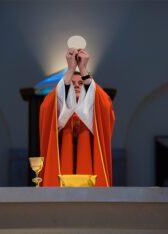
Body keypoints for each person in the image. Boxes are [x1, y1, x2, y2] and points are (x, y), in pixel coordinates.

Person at [39, 48, 115, 187]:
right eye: (72, 84)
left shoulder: (93, 107)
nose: (77, 87)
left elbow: (105, 105)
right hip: (62, 164)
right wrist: (70, 70)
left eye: (80, 83)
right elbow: (47, 107)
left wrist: (84, 70)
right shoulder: (61, 107)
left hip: (90, 165)